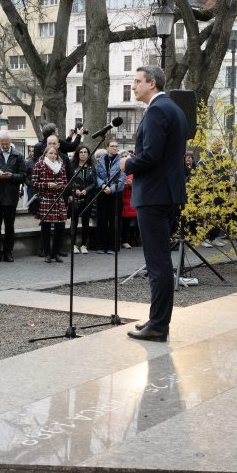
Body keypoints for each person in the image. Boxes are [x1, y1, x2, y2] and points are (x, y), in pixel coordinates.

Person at [124, 65, 187, 342]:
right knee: (160, 261)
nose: (134, 86)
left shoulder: (158, 110)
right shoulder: (173, 108)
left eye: (137, 81)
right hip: (167, 193)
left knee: (157, 263)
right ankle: (156, 320)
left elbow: (151, 157)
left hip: (154, 195)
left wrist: (127, 163)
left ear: (152, 83)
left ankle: (159, 326)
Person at [0, 131, 27, 262]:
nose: (4, 146)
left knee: (10, 226)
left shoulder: (18, 156)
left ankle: (8, 251)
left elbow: (23, 176)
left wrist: (12, 176)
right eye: (2, 143)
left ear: (10, 142)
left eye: (6, 144)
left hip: (10, 196)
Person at [32, 144, 68, 263]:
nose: (53, 155)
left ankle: (55, 253)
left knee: (60, 227)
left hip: (59, 198)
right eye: (50, 153)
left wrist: (61, 185)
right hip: (46, 198)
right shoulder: (39, 165)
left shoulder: (61, 165)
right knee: (46, 227)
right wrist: (47, 185)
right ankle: (47, 253)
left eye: (55, 153)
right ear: (45, 154)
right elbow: (34, 183)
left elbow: (65, 181)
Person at [94, 140, 125, 254]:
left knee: (114, 220)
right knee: (101, 219)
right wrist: (102, 185)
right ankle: (101, 245)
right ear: (107, 148)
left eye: (116, 146)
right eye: (112, 146)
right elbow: (96, 175)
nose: (114, 148)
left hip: (115, 194)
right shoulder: (101, 160)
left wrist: (111, 189)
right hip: (102, 193)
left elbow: (122, 178)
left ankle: (113, 246)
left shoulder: (121, 161)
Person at [68, 145, 97, 254]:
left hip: (87, 198)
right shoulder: (72, 166)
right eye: (81, 152)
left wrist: (86, 190)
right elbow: (69, 181)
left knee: (86, 222)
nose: (83, 154)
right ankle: (73, 245)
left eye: (85, 152)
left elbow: (94, 183)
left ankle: (84, 245)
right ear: (77, 154)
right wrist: (74, 191)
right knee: (74, 221)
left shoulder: (92, 167)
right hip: (75, 198)